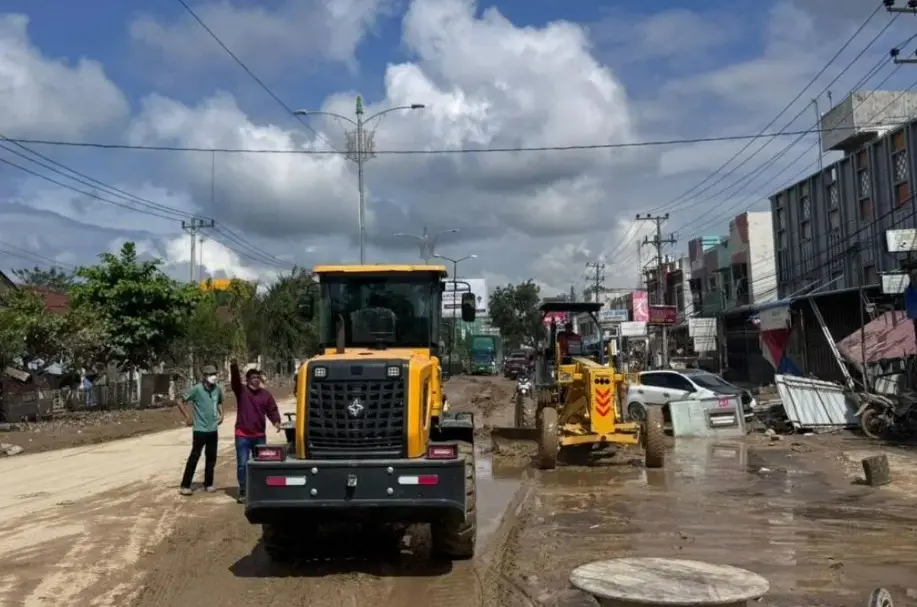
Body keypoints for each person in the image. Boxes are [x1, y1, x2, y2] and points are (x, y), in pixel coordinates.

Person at [231, 359, 282, 503]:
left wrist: (276, 421)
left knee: (261, 464)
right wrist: (234, 367)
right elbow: (235, 381)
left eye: (258, 377)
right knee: (242, 464)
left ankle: (259, 489)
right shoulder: (241, 391)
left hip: (259, 435)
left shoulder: (265, 395)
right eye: (253, 378)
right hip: (242, 435)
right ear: (247, 380)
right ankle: (243, 490)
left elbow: (272, 409)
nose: (256, 380)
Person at [177, 364, 224, 496]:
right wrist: (188, 417)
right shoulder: (196, 389)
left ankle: (208, 484)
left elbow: (219, 402)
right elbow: (180, 401)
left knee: (211, 457)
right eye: (210, 374)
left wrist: (222, 414)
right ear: (204, 376)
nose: (213, 377)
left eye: (215, 374)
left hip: (213, 429)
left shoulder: (217, 389)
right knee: (195, 456)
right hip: (200, 430)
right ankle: (185, 485)